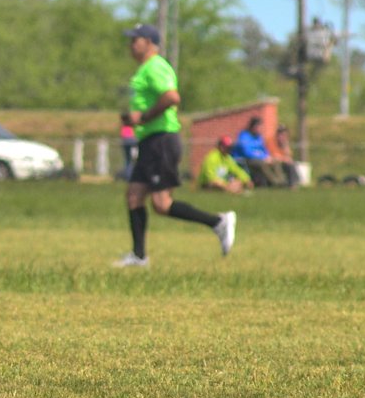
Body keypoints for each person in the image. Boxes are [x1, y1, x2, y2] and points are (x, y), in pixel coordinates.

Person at [114, 23, 235, 267]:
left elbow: (171, 97)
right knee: (134, 195)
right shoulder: (145, 69)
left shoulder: (155, 66)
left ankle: (218, 222)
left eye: (135, 40)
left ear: (150, 43)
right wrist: (135, 119)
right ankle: (139, 256)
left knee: (161, 203)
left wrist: (144, 117)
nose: (131, 45)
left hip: (161, 140)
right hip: (150, 140)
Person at [234, 116, 287, 188]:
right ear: (253, 127)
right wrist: (262, 157)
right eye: (259, 127)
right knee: (262, 163)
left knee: (275, 162)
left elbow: (264, 149)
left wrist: (267, 157)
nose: (260, 129)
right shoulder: (244, 136)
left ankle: (281, 181)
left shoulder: (259, 137)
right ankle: (275, 182)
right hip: (247, 159)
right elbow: (247, 152)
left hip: (260, 158)